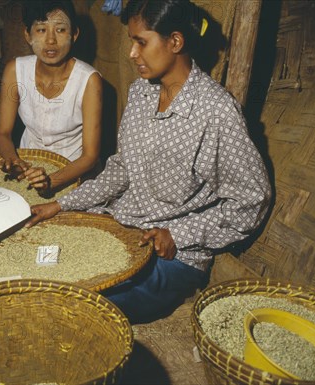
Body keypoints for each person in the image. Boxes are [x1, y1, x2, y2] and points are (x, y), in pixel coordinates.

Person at [26, 0, 271, 324]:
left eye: (141, 41)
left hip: (173, 257)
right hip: (122, 227)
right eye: (131, 41)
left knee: (82, 308)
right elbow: (121, 171)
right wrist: (61, 205)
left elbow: (252, 200)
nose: (132, 53)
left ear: (175, 42)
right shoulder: (141, 93)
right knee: (45, 269)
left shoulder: (216, 111)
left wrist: (177, 235)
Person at [0, 0, 102, 195]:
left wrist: (50, 181)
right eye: (41, 30)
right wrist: (14, 161)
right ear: (27, 35)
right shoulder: (15, 70)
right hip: (28, 165)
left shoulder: (89, 80)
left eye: (60, 30)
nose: (51, 41)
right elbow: (3, 133)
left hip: (73, 169)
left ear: (74, 34)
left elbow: (90, 156)